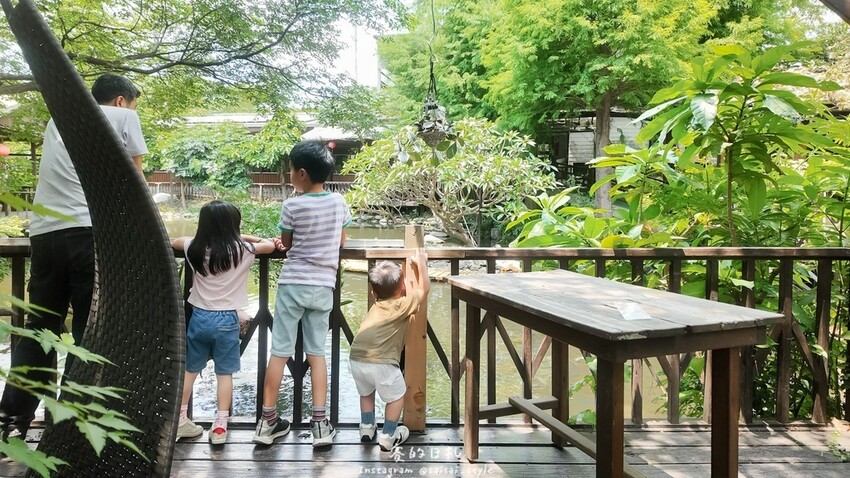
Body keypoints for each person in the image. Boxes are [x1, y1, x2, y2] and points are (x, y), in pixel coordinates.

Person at [0, 73, 147, 440]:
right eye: (131, 104)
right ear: (119, 101)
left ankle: (10, 421)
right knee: (87, 331)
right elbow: (135, 181)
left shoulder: (57, 120)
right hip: (87, 235)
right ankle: (67, 425)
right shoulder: (122, 117)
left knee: (40, 330)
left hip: (45, 235)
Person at [253, 140, 351, 447]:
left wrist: (285, 245)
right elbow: (341, 240)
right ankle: (320, 425)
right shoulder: (338, 203)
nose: (291, 174)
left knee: (279, 351)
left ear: (302, 174)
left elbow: (288, 243)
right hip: (323, 285)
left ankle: (268, 423)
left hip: (293, 283)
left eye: (292, 170)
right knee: (317, 353)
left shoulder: (292, 204)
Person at [171, 200, 276, 445]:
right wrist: (241, 237)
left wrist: (203, 235)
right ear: (234, 227)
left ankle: (179, 420)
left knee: (190, 370)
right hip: (227, 319)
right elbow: (269, 245)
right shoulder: (243, 250)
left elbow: (175, 240)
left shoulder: (193, 248)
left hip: (199, 317)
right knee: (224, 373)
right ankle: (219, 427)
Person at [349, 249, 429, 452]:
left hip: (356, 359)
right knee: (396, 396)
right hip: (382, 362)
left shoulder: (375, 306)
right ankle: (389, 435)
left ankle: (366, 428)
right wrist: (421, 263)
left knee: (366, 392)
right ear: (402, 288)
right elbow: (424, 290)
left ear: (373, 293)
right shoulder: (401, 305)